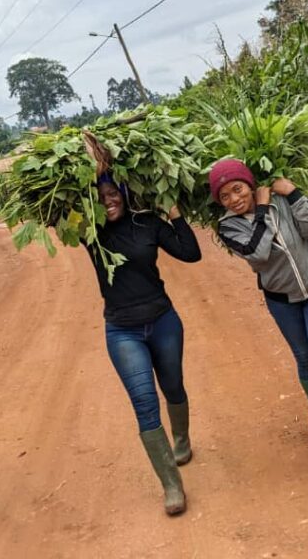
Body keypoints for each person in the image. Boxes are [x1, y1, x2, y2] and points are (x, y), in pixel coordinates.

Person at [209, 159, 308, 469]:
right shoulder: (227, 226)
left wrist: (293, 194)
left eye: (238, 189)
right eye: (225, 196)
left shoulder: (281, 201)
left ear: (250, 184)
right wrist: (261, 209)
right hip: (282, 300)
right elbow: (258, 252)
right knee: (305, 360)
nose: (235, 199)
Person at [85, 174, 202, 516]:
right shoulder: (90, 232)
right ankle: (171, 485)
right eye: (100, 195)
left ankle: (181, 440)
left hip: (163, 321)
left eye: (113, 193)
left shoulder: (147, 222)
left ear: (125, 193)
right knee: (144, 404)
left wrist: (175, 212)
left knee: (173, 386)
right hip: (123, 332)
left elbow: (191, 253)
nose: (108, 200)